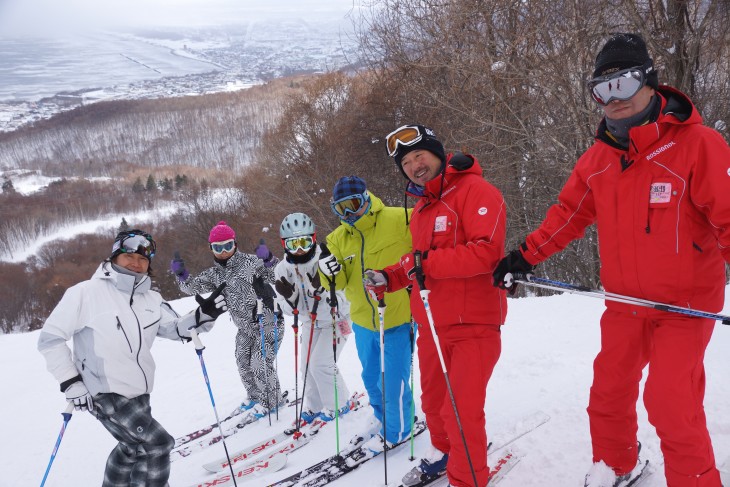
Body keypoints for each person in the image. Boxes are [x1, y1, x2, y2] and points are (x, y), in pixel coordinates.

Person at [493, 33, 730, 487]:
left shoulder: (698, 145)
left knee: (670, 403)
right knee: (607, 393)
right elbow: (567, 216)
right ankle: (616, 467)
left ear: (650, 81)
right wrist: (523, 256)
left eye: (622, 84)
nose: (613, 99)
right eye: (602, 90)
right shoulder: (599, 159)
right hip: (624, 303)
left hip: (684, 305)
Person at [365, 125, 507, 487]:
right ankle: (445, 454)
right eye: (407, 161)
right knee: (434, 407)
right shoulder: (423, 209)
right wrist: (389, 276)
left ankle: (467, 478)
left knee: (460, 413)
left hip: (473, 324)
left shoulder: (477, 191)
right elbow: (416, 261)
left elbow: (487, 252)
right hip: (431, 324)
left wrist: (426, 264)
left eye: (420, 155)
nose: (414, 165)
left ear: (439, 154)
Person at [37, 229, 227, 487]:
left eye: (143, 259)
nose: (136, 263)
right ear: (115, 255)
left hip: (140, 393)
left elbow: (174, 328)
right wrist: (71, 383)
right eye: (130, 255)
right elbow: (50, 339)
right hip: (104, 392)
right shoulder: (85, 293)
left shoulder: (151, 298)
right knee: (158, 444)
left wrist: (202, 315)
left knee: (132, 447)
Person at [318, 175, 415, 451]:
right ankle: (383, 419)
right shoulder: (336, 239)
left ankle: (399, 431)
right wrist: (327, 274)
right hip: (363, 321)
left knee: (393, 379)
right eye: (341, 208)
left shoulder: (401, 219)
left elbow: (423, 253)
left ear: (367, 198)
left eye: (354, 204)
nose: (349, 214)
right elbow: (335, 282)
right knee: (371, 378)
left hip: (397, 317)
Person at [170, 220, 285, 416]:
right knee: (242, 361)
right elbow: (192, 287)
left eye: (228, 246)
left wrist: (270, 260)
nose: (223, 251)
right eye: (218, 247)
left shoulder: (251, 263)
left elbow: (280, 276)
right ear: (211, 248)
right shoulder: (215, 274)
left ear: (235, 244)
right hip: (245, 328)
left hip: (268, 322)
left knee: (259, 362)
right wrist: (181, 275)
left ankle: (272, 401)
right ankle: (255, 396)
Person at [273, 212, 353, 423]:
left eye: (304, 242)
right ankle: (315, 405)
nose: (300, 249)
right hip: (310, 323)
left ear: (314, 238)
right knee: (307, 366)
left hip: (336, 321)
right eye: (293, 244)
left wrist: (325, 289)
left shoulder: (326, 259)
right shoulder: (282, 270)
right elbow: (290, 311)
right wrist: (290, 298)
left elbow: (345, 298)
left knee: (321, 364)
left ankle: (340, 404)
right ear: (284, 244)